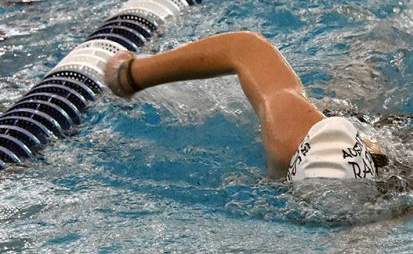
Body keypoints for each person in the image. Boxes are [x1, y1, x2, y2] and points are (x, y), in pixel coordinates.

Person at [104, 31, 387, 183]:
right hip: (337, 126)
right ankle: (375, 45)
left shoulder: (401, 186)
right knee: (353, 90)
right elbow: (245, 48)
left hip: (384, 152)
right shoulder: (288, 135)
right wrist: (129, 75)